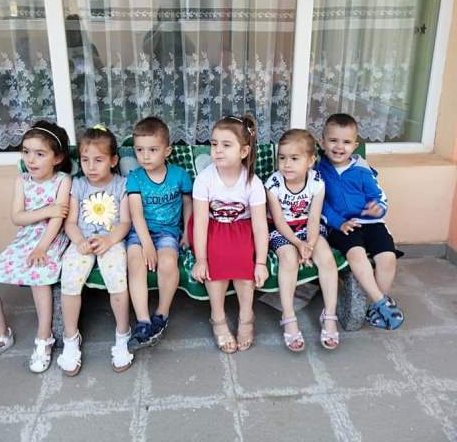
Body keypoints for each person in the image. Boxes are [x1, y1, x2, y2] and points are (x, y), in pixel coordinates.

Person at [0, 121, 72, 372]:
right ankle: (1, 334)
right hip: (25, 238)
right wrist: (47, 210)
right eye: (26, 152)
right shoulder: (22, 180)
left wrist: (41, 247)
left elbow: (58, 220)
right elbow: (17, 217)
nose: (31, 159)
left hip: (51, 239)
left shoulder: (63, 180)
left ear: (57, 158)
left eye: (40, 154)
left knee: (39, 276)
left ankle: (44, 338)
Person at [315, 113, 404, 330]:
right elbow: (320, 205)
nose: (339, 147)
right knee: (356, 253)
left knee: (388, 257)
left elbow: (379, 196)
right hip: (341, 225)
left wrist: (378, 208)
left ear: (354, 145)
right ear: (323, 142)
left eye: (346, 142)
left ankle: (376, 306)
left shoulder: (362, 169)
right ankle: (382, 303)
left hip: (371, 223)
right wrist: (338, 223)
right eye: (333, 140)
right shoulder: (318, 172)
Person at [57, 125, 133, 376]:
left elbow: (125, 222)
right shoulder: (78, 186)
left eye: (98, 160)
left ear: (113, 161)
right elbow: (70, 222)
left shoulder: (121, 185)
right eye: (85, 160)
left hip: (112, 240)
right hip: (82, 241)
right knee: (70, 278)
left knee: (116, 278)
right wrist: (79, 241)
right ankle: (71, 337)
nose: (91, 166)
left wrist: (109, 240)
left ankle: (122, 334)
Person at [190, 114, 269, 353]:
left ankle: (246, 316)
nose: (217, 150)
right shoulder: (205, 179)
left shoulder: (252, 183)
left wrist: (261, 262)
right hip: (211, 226)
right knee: (216, 258)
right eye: (214, 144)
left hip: (241, 227)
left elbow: (259, 226)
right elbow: (200, 222)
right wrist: (201, 259)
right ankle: (218, 317)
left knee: (243, 258)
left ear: (243, 151)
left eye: (226, 145)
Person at [265, 129, 340, 351]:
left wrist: (310, 244)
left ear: (310, 160)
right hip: (281, 230)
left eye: (294, 158)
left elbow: (314, 217)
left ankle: (329, 314)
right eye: (282, 158)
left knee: (326, 258)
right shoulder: (274, 184)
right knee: (288, 259)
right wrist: (298, 245)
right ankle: (289, 317)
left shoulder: (317, 182)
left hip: (308, 228)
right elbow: (279, 221)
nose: (286, 164)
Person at [125, 117, 193, 351]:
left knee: (168, 263)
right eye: (139, 150)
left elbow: (188, 203)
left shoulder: (179, 175)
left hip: (167, 232)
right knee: (135, 263)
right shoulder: (135, 177)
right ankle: (143, 320)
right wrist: (146, 245)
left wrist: (187, 232)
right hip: (140, 232)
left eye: (152, 150)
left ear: (167, 151)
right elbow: (136, 214)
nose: (145, 156)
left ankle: (161, 314)